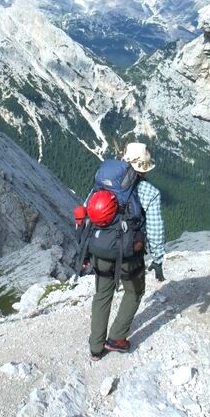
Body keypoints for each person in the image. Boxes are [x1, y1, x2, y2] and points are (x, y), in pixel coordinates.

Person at [89, 141, 166, 361]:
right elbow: (155, 227)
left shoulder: (103, 181)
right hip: (128, 253)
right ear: (144, 167)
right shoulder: (148, 191)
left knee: (103, 294)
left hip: (100, 248)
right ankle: (116, 339)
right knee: (134, 291)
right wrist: (158, 258)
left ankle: (95, 348)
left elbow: (88, 210)